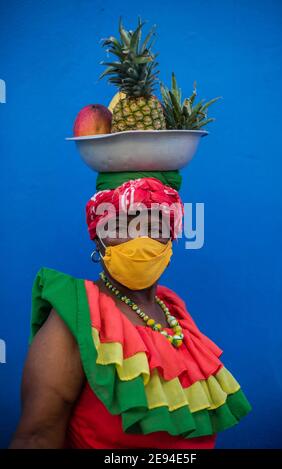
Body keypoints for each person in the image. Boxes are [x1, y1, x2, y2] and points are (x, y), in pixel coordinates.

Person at [10, 175, 251, 449]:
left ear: (171, 235)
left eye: (153, 224)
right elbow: (36, 438)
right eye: (120, 225)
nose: (139, 238)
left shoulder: (173, 310)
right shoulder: (78, 314)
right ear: (98, 240)